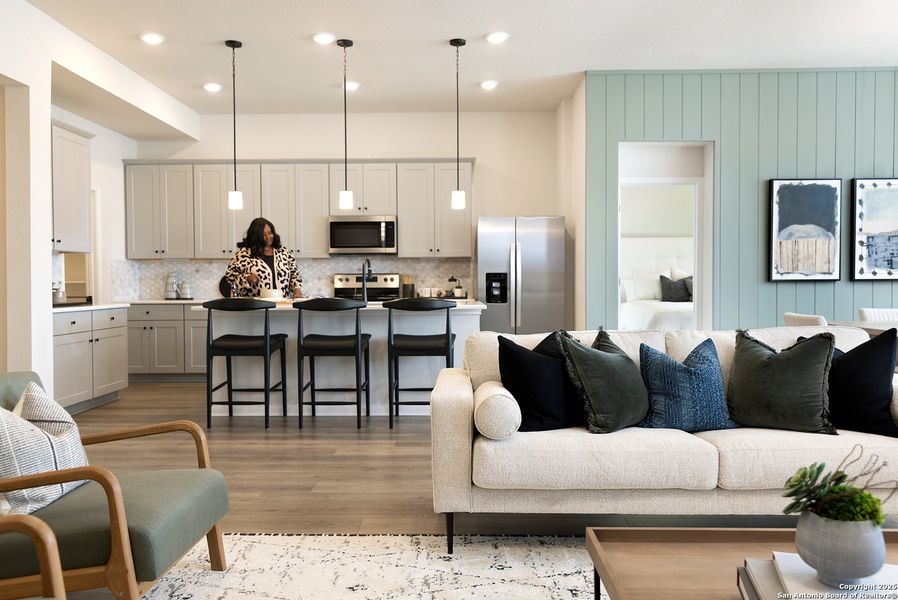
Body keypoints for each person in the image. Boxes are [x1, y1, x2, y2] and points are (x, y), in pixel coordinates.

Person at [226, 217, 302, 298]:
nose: (268, 237)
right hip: (254, 304)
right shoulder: (243, 253)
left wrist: (297, 289)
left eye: (270, 233)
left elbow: (295, 274)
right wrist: (246, 278)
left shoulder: (283, 252)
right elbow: (230, 276)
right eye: (263, 235)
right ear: (255, 236)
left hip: (281, 303)